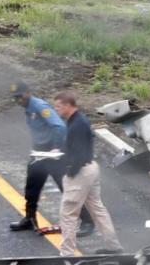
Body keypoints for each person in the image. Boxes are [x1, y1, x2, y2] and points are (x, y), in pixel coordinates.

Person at [7, 81, 93, 235]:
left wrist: (56, 148)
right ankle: (29, 219)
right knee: (32, 187)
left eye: (19, 97)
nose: (18, 101)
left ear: (27, 93)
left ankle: (87, 221)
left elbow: (59, 126)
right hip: (39, 153)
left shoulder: (40, 106)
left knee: (67, 188)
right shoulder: (28, 108)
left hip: (52, 155)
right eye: (15, 99)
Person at [52, 90, 123, 256]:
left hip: (81, 172)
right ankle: (113, 247)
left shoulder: (77, 124)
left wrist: (70, 171)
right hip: (91, 169)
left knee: (68, 213)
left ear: (69, 106)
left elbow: (79, 153)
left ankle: (67, 254)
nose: (57, 110)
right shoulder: (78, 120)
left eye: (59, 107)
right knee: (97, 209)